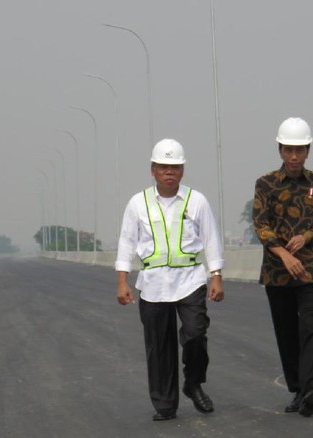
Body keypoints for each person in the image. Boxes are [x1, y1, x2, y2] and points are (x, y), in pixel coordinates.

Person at [116, 138, 225, 422]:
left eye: (175, 167)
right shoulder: (137, 203)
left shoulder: (196, 200)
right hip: (152, 285)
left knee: (195, 335)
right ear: (153, 169)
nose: (169, 172)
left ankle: (193, 381)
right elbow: (127, 243)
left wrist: (216, 276)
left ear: (183, 170)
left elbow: (211, 239)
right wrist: (122, 281)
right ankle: (165, 404)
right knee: (159, 347)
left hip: (190, 280)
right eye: (163, 166)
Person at [252, 117, 313, 417]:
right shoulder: (265, 184)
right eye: (288, 150)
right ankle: (298, 390)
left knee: (309, 326)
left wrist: (308, 236)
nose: (294, 156)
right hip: (277, 273)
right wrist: (283, 254)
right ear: (279, 150)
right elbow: (261, 226)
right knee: (286, 332)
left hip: (312, 269)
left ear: (308, 150)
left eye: (299, 150)